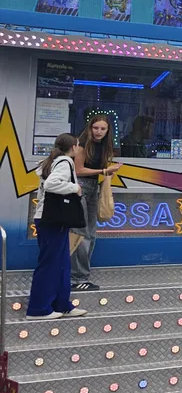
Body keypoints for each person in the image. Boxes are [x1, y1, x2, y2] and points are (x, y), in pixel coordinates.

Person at [27, 134, 89, 320]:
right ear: (73, 147)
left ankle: (62, 304)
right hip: (51, 219)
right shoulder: (64, 162)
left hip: (52, 219)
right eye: (78, 146)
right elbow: (52, 184)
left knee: (62, 263)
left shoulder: (53, 160)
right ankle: (38, 308)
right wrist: (74, 188)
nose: (79, 149)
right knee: (50, 263)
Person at [72, 114, 121, 292]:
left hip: (92, 187)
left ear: (108, 131)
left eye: (103, 129)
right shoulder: (82, 144)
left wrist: (105, 173)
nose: (98, 132)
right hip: (80, 188)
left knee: (91, 233)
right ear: (90, 127)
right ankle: (77, 278)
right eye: (96, 128)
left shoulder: (104, 146)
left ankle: (81, 276)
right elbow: (78, 170)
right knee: (80, 233)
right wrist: (104, 170)